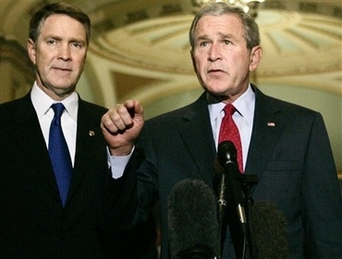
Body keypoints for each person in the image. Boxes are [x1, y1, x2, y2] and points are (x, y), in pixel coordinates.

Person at [100, 2, 342, 259]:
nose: (213, 54)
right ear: (193, 58)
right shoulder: (162, 134)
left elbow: (328, 236)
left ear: (254, 57)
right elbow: (121, 225)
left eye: (226, 41)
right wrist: (121, 152)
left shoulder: (302, 127)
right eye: (203, 43)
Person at [0, 2, 157, 258]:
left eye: (76, 44)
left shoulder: (114, 129)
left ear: (85, 53)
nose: (64, 54)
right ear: (33, 50)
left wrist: (120, 152)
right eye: (53, 41)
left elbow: (131, 231)